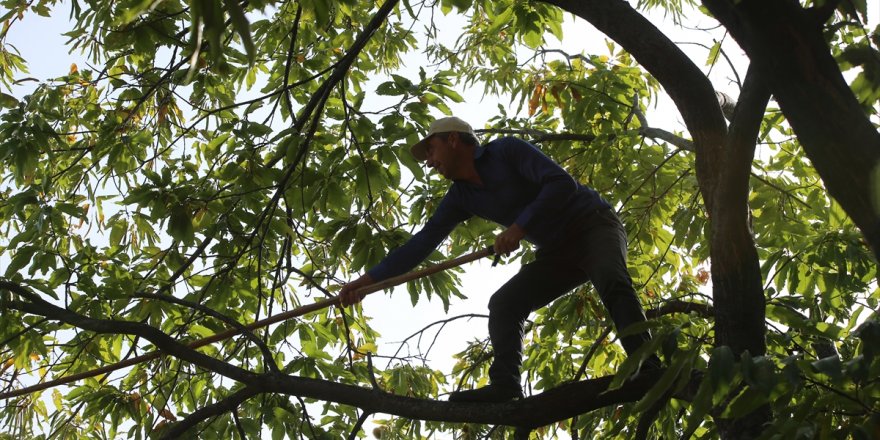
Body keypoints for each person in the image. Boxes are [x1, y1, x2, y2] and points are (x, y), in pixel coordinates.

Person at [339, 116, 658, 403]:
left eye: (431, 150)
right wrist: (366, 284)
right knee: (505, 304)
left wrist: (519, 227)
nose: (431, 163)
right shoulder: (460, 198)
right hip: (559, 253)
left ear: (453, 139)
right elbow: (420, 244)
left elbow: (561, 183)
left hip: (593, 225)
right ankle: (505, 386)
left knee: (612, 281)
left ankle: (649, 367)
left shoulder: (506, 150)